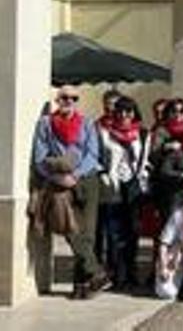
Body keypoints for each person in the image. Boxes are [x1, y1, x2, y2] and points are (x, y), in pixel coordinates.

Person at [31, 86, 108, 299]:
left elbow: (93, 154)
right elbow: (39, 158)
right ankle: (96, 272)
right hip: (58, 181)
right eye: (64, 97)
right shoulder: (45, 124)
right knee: (70, 229)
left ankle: (81, 286)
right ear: (57, 100)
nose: (68, 101)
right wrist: (57, 178)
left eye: (73, 98)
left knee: (88, 234)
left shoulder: (88, 123)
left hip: (86, 179)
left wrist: (76, 176)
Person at [96, 96, 151, 289]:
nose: (124, 115)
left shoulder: (143, 133)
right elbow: (99, 157)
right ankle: (116, 274)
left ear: (134, 113)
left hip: (133, 185)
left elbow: (144, 160)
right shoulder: (104, 132)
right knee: (114, 233)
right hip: (113, 185)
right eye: (120, 111)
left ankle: (131, 272)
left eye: (129, 111)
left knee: (133, 231)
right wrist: (104, 175)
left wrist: (142, 177)